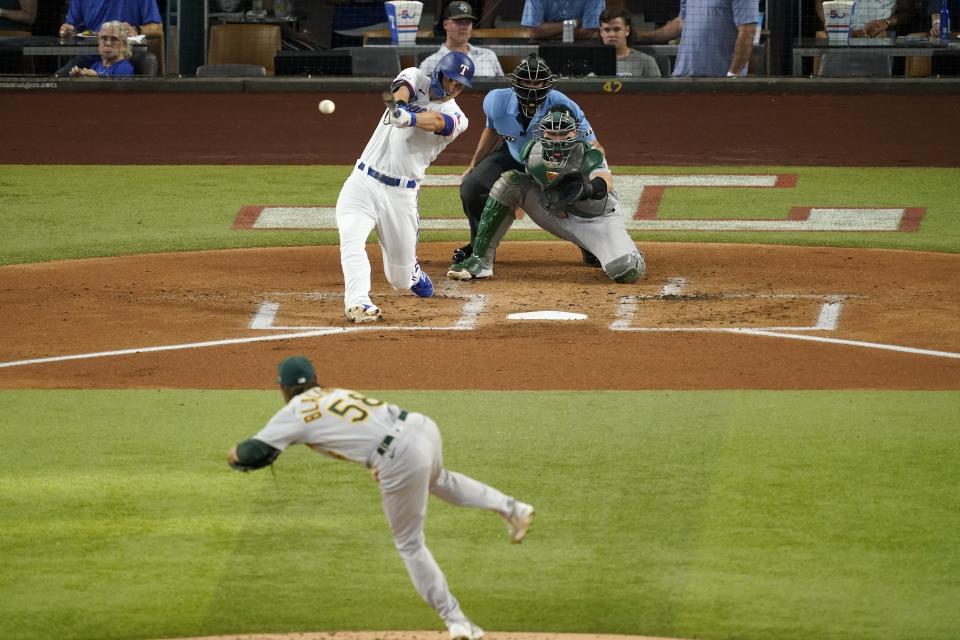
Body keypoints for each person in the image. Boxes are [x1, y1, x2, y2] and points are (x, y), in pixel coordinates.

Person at [227, 355, 536, 640]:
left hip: (397, 454)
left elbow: (253, 451)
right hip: (420, 426)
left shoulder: (293, 412)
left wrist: (232, 455)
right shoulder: (333, 393)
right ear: (315, 378)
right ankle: (512, 508)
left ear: (282, 388)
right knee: (440, 479)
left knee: (410, 544)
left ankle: (456, 621)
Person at [336, 51, 475, 324]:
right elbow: (401, 89)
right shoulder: (415, 76)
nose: (455, 88)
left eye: (461, 85)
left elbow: (437, 122)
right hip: (362, 181)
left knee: (398, 280)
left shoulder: (458, 117)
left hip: (401, 194)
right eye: (452, 80)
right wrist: (399, 109)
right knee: (351, 240)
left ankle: (411, 272)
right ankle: (358, 301)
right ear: (439, 73)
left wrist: (409, 119)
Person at [448, 106, 645, 284]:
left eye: (564, 133)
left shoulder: (589, 153)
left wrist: (588, 189)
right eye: (552, 133)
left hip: (597, 220)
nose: (557, 139)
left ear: (574, 133)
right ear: (542, 133)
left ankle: (622, 251)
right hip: (557, 213)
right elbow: (535, 183)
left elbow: (605, 181)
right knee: (511, 182)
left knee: (625, 270)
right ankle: (480, 260)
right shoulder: (532, 154)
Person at [456, 53, 605, 267]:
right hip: (513, 154)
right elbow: (491, 131)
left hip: (552, 159)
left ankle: (591, 246)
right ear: (516, 82)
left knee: (574, 192)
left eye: (538, 82)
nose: (533, 88)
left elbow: (593, 144)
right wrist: (473, 165)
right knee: (471, 187)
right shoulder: (496, 100)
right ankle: (479, 247)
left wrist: (587, 173)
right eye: (527, 81)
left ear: (547, 83)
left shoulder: (564, 106)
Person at [670, 0, 758, 77]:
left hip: (719, 80)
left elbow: (747, 31)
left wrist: (732, 76)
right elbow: (681, 23)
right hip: (683, 76)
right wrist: (655, 36)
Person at [419, 1, 504, 78]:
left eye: (467, 22)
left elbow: (503, 89)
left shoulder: (488, 55)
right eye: (458, 22)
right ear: (445, 24)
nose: (464, 27)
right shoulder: (430, 63)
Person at [599, 6, 662, 77]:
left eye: (617, 29)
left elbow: (658, 88)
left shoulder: (646, 61)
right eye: (607, 30)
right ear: (601, 32)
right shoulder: (592, 61)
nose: (611, 34)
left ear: (627, 30)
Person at [59, 0, 162, 38]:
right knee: (60, 78)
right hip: (91, 54)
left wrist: (136, 30)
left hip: (126, 54)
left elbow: (157, 29)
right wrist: (67, 30)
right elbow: (72, 28)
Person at [68, 20, 134, 76]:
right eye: (104, 38)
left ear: (123, 45)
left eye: (114, 39)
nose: (108, 43)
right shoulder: (96, 65)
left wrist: (96, 79)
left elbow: (114, 90)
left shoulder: (124, 68)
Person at [816, 0, 915, 37]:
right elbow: (820, 3)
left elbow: (907, 12)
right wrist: (828, 22)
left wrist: (887, 22)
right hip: (841, 39)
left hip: (880, 39)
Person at [521, 0, 604, 40]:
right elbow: (534, 31)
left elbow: (589, 32)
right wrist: (575, 23)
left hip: (583, 48)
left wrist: (548, 33)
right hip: (543, 50)